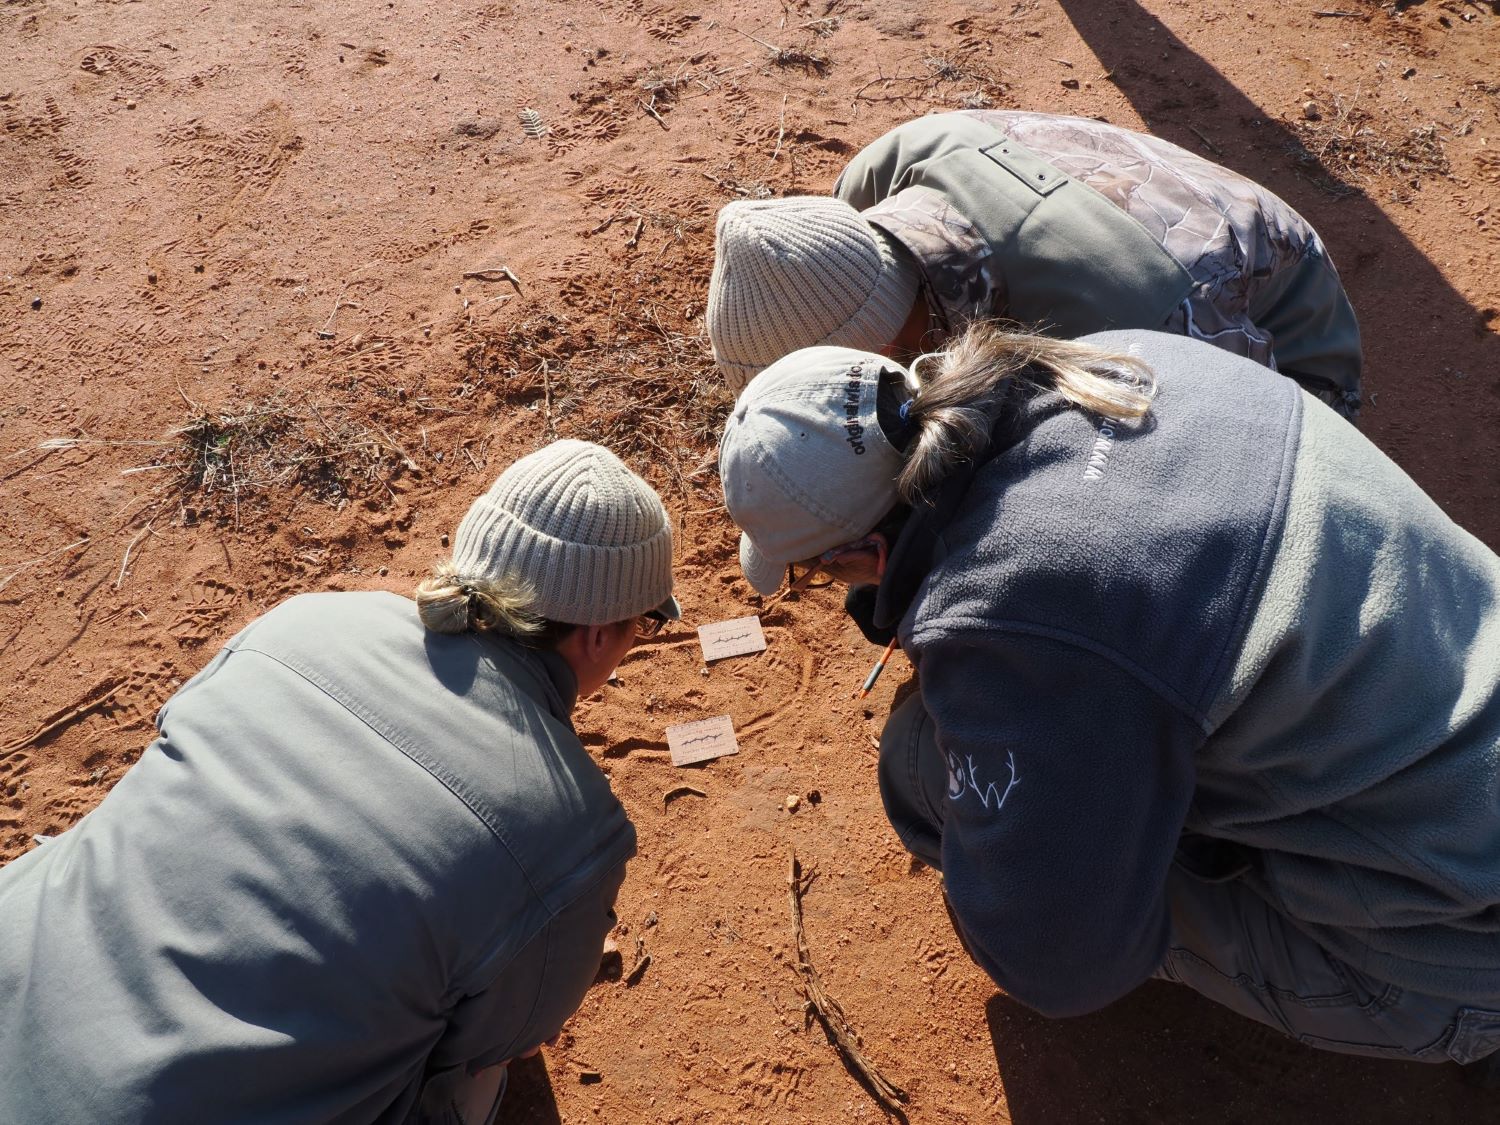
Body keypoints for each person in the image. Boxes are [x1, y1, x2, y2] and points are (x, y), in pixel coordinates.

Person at [717, 327, 1500, 1072]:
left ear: (865, 550)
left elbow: (1057, 967)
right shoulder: (1102, 360)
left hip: (1462, 948)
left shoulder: (1013, 615)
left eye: (821, 571)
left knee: (919, 765)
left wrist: (961, 657)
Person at [0, 439, 680, 1124]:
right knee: (477, 1075)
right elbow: (496, 1041)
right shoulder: (572, 833)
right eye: (644, 624)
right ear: (598, 634)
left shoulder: (298, 620)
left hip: (24, 965)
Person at [705, 110, 1363, 420]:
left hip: (1278, 326)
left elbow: (1249, 438)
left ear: (883, 352)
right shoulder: (873, 182)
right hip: (1119, 217)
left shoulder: (1138, 328)